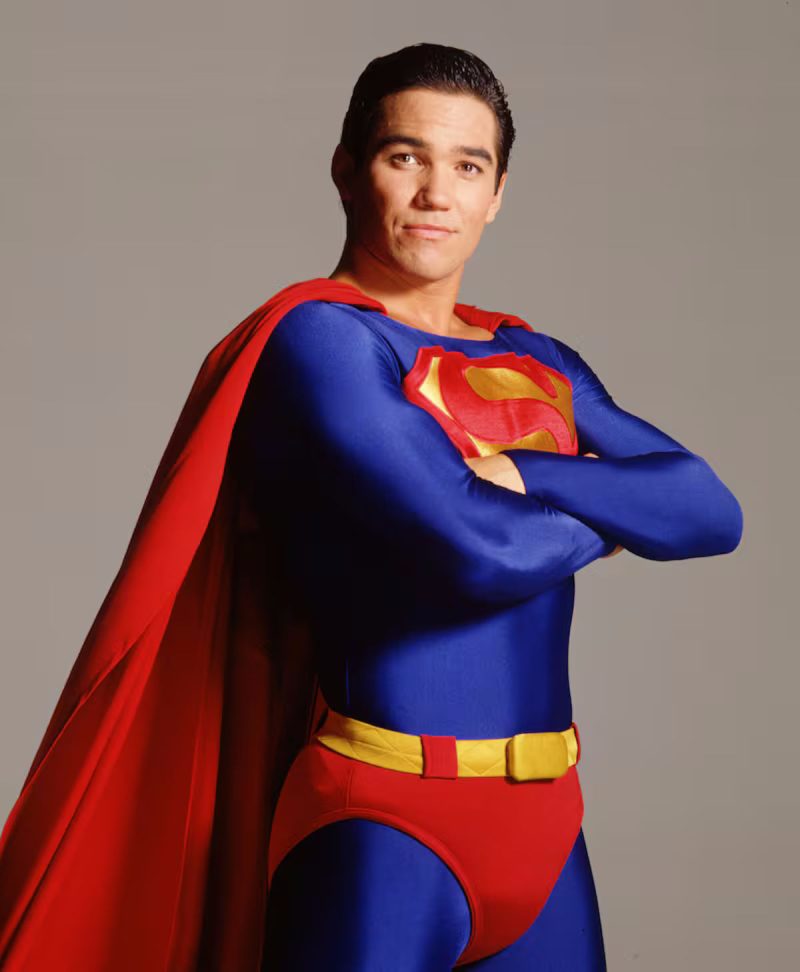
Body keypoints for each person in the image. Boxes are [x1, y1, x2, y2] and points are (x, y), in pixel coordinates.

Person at [0, 43, 742, 972]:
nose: (437, 193)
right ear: (347, 171)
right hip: (385, 821)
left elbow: (709, 509)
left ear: (497, 193)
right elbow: (479, 552)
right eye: (406, 157)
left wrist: (529, 474)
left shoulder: (538, 357)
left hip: (548, 821)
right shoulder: (320, 340)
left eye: (467, 166)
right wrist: (619, 517)